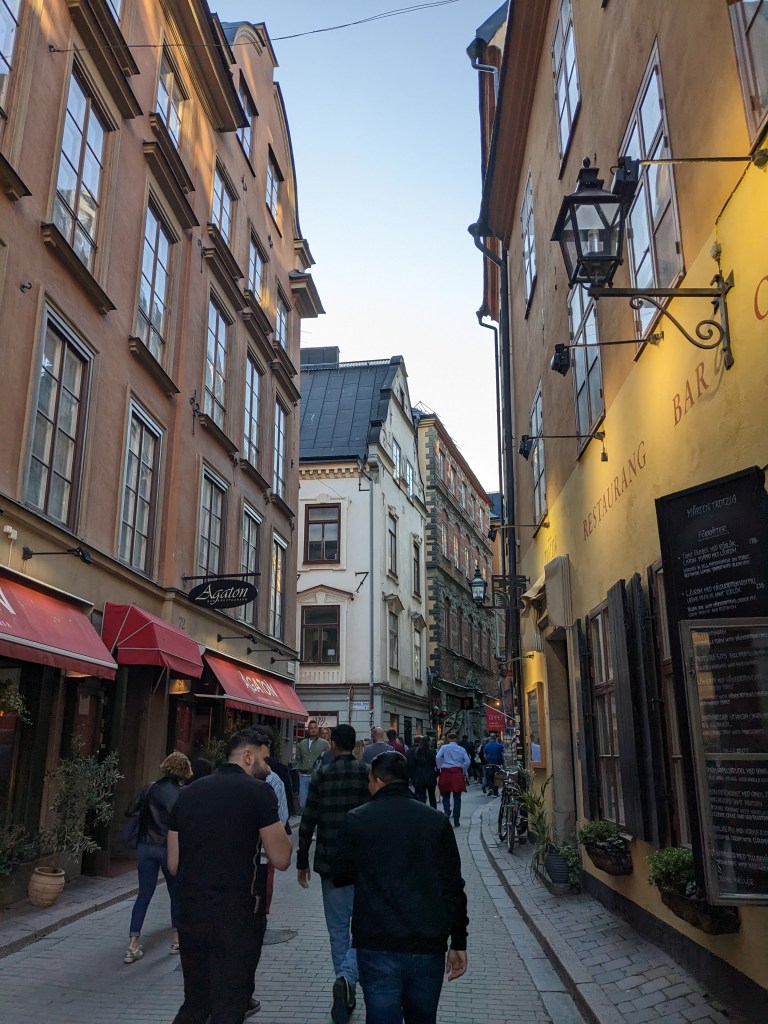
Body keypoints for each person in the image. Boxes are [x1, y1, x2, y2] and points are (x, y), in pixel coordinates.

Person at [331, 751, 468, 1024]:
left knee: (380, 1017)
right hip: (426, 942)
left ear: (378, 781)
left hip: (375, 940)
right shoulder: (436, 821)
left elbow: (340, 875)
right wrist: (458, 941)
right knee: (423, 1018)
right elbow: (453, 886)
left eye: (369, 780)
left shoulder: (357, 819)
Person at [167, 730, 292, 1024]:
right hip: (237, 913)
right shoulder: (260, 793)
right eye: (264, 758)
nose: (268, 767)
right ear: (248, 756)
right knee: (229, 1003)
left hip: (191, 910)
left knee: (195, 1001)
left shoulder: (188, 794)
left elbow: (173, 863)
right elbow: (281, 858)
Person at [297, 723, 370, 1024]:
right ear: (354, 745)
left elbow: (308, 819)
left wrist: (302, 859)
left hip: (331, 862)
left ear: (333, 745)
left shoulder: (322, 775)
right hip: (364, 865)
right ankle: (348, 979)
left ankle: (344, 980)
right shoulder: (367, 774)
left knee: (338, 929)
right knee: (364, 929)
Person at [123, 750, 192, 964]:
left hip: (146, 846)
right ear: (185, 770)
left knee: (144, 894)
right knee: (175, 893)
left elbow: (130, 809)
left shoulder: (150, 788)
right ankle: (176, 939)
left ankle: (133, 942)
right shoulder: (184, 794)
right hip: (169, 847)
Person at [436, 732, 470, 827]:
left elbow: (438, 757)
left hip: (446, 772)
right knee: (457, 798)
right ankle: (456, 820)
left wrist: (440, 766)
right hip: (457, 773)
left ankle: (447, 812)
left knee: (446, 795)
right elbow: (467, 761)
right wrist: (463, 769)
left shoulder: (444, 748)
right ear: (457, 739)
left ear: (448, 739)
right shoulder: (461, 749)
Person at [295, 719, 330, 808]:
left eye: (315, 728)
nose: (313, 730)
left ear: (318, 729)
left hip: (317, 775)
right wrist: (298, 771)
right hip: (304, 775)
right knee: (302, 802)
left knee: (316, 801)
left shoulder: (324, 743)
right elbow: (298, 758)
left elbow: (328, 758)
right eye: (311, 728)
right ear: (308, 730)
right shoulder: (302, 743)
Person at [407, 735, 437, 808]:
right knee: (432, 796)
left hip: (419, 775)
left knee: (421, 797)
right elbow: (435, 764)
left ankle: (422, 810)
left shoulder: (416, 752)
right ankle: (433, 811)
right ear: (428, 742)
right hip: (430, 775)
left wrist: (413, 776)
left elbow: (412, 765)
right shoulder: (432, 752)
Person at [483, 731, 504, 796]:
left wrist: (487, 760)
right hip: (498, 763)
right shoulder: (499, 745)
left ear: (490, 738)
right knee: (497, 777)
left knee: (489, 776)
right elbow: (502, 754)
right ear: (496, 738)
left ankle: (491, 787)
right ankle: (495, 792)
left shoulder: (486, 746)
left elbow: (485, 755)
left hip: (489, 763)